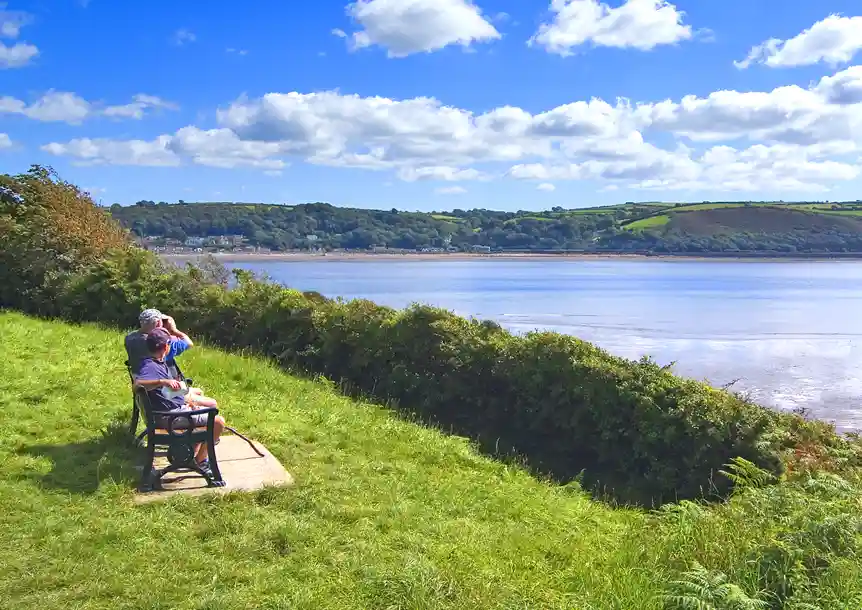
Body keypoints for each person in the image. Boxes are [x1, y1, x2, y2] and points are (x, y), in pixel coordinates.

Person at [134, 328, 225, 471]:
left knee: (207, 409)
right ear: (165, 347)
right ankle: (200, 461)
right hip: (169, 417)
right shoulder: (150, 366)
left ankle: (188, 454)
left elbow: (164, 395)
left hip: (171, 412)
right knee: (218, 421)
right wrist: (162, 381)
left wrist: (188, 403)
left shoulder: (155, 361)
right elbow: (137, 384)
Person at [125, 308, 211, 407]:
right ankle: (197, 417)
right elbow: (189, 343)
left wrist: (161, 331)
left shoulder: (129, 338)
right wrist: (174, 330)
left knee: (197, 391)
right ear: (158, 323)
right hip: (163, 393)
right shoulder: (161, 347)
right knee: (206, 399)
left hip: (146, 387)